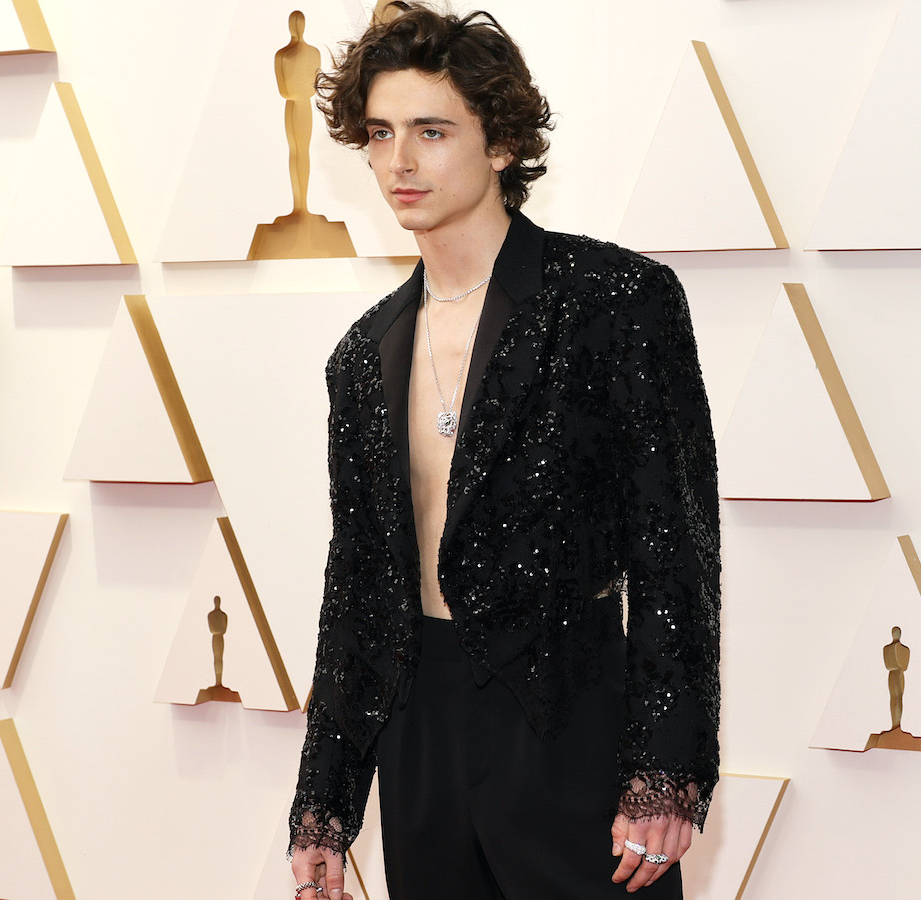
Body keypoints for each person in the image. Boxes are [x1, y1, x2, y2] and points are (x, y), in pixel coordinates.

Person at [287, 4, 720, 898]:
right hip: (420, 727)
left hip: (570, 712)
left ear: (501, 144)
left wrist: (662, 772)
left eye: (431, 131)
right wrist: (323, 806)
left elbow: (674, 552)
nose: (399, 162)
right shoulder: (362, 356)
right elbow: (358, 588)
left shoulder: (614, 298)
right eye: (379, 134)